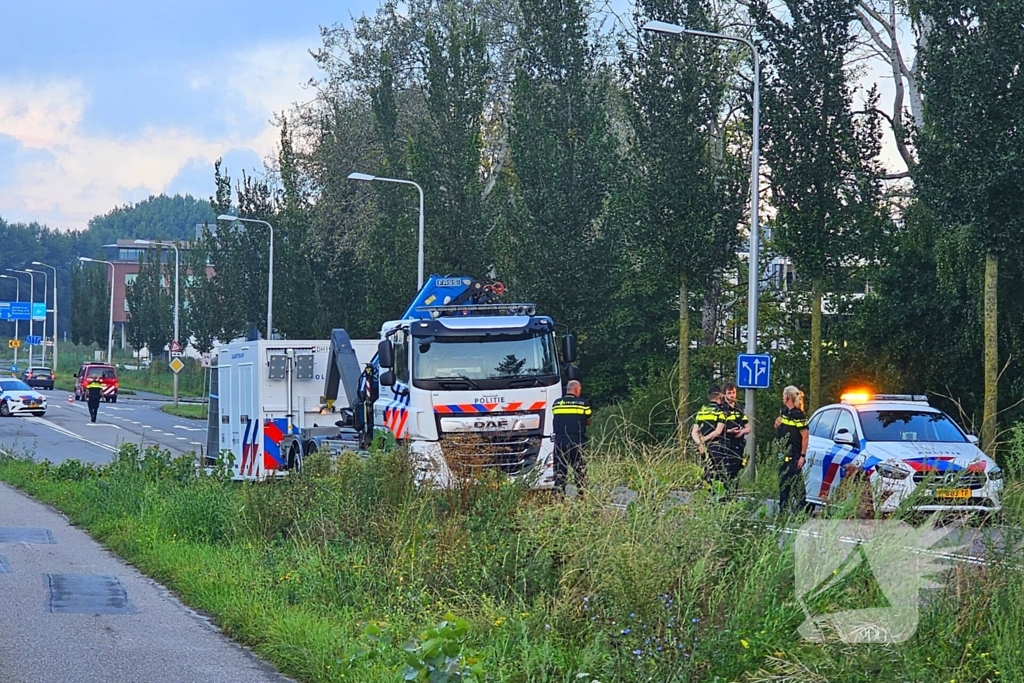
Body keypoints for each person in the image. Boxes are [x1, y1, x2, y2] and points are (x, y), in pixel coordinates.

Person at [551, 380, 592, 496]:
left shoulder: (556, 404)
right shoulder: (583, 404)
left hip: (560, 442)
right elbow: (588, 421)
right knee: (580, 471)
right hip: (576, 441)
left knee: (560, 471)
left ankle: (559, 497)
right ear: (576, 390)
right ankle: (582, 495)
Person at [774, 385, 810, 515]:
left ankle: (803, 512)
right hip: (783, 455)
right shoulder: (784, 413)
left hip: (795, 456)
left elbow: (805, 436)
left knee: (797, 487)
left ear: (788, 397)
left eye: (784, 395)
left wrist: (802, 456)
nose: (782, 398)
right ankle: (782, 512)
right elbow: (781, 431)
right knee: (783, 486)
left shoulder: (798, 415)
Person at [691, 385, 728, 489]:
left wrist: (700, 443)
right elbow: (718, 431)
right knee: (718, 476)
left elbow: (694, 432)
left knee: (705, 473)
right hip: (717, 448)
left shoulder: (701, 412)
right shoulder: (720, 412)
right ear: (719, 396)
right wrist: (705, 439)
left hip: (702, 449)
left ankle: (705, 496)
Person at [720, 382, 752, 482]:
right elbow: (717, 429)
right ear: (724, 394)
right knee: (725, 472)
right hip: (725, 444)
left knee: (736, 471)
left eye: (733, 392)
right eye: (729, 393)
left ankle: (733, 494)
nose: (732, 395)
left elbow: (748, 428)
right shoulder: (721, 408)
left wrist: (742, 432)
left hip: (738, 445)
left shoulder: (739, 409)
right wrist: (729, 431)